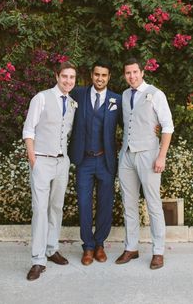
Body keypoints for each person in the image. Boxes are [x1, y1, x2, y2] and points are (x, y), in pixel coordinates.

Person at [115, 57, 174, 269]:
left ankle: (158, 251)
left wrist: (161, 156)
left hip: (149, 155)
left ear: (142, 72)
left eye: (135, 72)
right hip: (127, 155)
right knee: (128, 204)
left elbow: (167, 127)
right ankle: (131, 247)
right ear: (125, 75)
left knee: (153, 204)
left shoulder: (156, 94)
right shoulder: (124, 95)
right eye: (128, 73)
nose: (132, 76)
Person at [22, 61, 77, 281]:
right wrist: (33, 160)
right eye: (65, 76)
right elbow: (28, 130)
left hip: (61, 162)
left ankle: (51, 248)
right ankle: (37, 260)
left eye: (72, 77)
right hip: (42, 161)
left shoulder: (73, 103)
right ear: (57, 76)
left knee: (56, 207)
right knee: (40, 209)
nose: (68, 81)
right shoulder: (41, 98)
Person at [68, 59, 122, 265]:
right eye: (97, 74)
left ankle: (99, 244)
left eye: (104, 75)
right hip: (84, 161)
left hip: (106, 161)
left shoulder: (116, 100)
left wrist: (154, 129)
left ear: (109, 77)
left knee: (105, 205)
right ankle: (88, 247)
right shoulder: (78, 94)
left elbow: (130, 123)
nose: (100, 78)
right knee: (83, 203)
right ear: (92, 75)